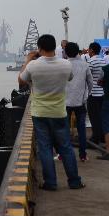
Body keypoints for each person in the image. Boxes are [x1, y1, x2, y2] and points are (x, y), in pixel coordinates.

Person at [19, 34, 84, 190]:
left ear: (39, 48)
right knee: (66, 147)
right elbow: (69, 78)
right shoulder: (66, 64)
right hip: (59, 112)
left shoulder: (33, 66)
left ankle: (51, 183)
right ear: (55, 47)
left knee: (45, 148)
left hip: (40, 113)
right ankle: (74, 181)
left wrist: (28, 59)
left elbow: (21, 81)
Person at [65, 42, 93, 161]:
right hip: (80, 102)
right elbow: (90, 82)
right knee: (81, 130)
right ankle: (82, 155)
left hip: (65, 102)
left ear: (66, 52)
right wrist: (87, 94)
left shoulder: (63, 65)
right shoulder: (84, 65)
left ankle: (63, 155)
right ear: (78, 52)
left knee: (64, 130)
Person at [86, 42, 109, 145]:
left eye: (89, 50)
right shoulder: (104, 61)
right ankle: (104, 137)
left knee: (94, 117)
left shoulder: (90, 62)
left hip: (93, 93)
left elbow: (88, 78)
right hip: (103, 93)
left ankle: (96, 137)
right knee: (103, 116)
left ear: (91, 50)